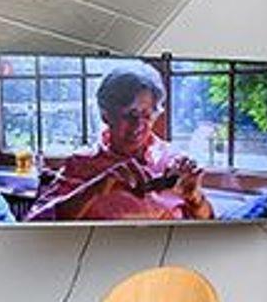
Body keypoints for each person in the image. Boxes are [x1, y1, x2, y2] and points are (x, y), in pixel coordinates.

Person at [25, 60, 214, 222]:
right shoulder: (82, 163)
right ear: (106, 115)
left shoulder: (173, 160)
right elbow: (35, 222)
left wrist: (196, 199)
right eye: (129, 115)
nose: (138, 125)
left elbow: (208, 226)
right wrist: (96, 188)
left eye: (146, 115)